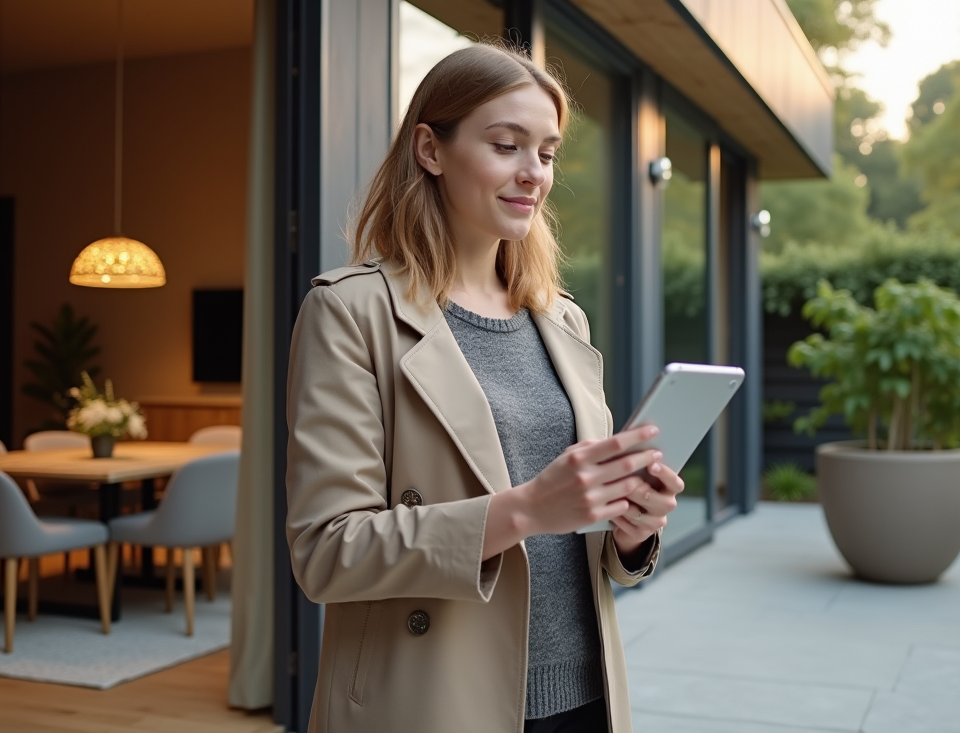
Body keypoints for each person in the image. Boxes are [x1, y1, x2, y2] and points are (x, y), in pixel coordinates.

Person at [285, 42, 686, 733]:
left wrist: (630, 531)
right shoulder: (351, 312)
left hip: (584, 698)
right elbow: (327, 551)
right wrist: (524, 510)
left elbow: (578, 539)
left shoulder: (561, 318)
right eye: (507, 146)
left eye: (547, 153)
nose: (534, 173)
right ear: (430, 150)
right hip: (437, 702)